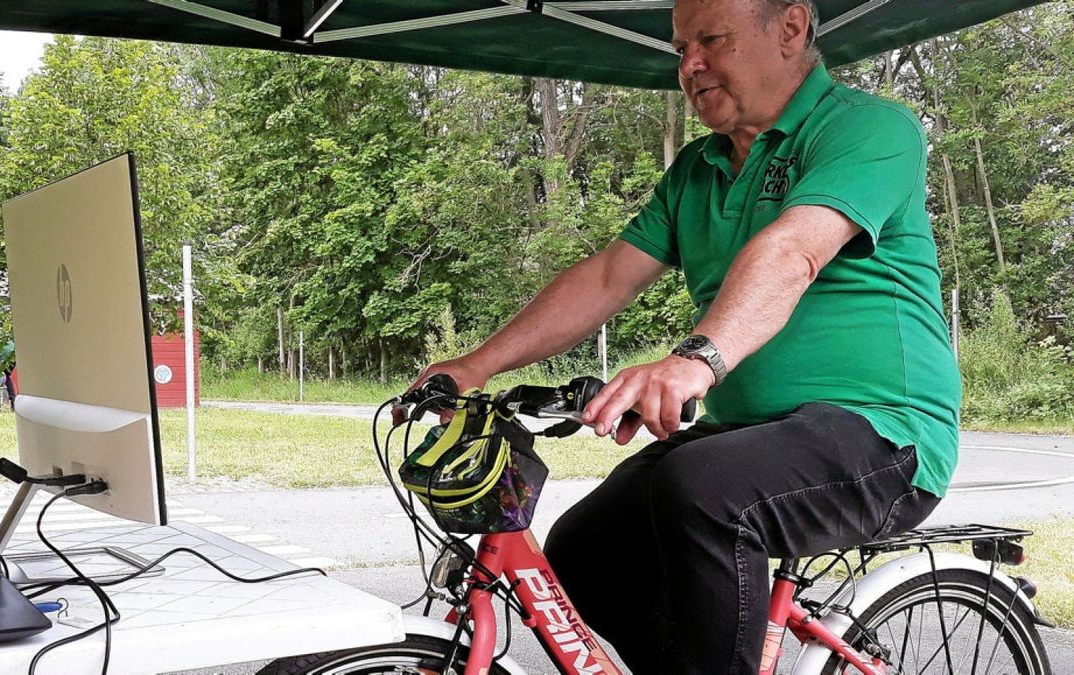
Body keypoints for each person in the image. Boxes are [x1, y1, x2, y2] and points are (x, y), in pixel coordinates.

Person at [402, 0, 960, 671]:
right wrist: (476, 364)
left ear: (790, 27)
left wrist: (696, 359)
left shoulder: (869, 128)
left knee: (701, 490)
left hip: (884, 435)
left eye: (711, 40)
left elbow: (794, 251)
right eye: (680, 49)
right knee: (584, 548)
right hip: (756, 437)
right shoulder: (697, 169)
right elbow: (608, 276)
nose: (689, 66)